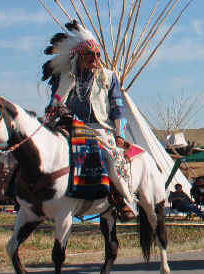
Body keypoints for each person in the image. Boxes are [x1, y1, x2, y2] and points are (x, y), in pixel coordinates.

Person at [40, 20, 135, 220]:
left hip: (100, 129)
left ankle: (124, 197)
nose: (95, 59)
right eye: (89, 55)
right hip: (71, 127)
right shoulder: (66, 78)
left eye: (97, 55)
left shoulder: (108, 77)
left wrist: (119, 134)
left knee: (110, 160)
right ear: (78, 57)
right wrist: (53, 112)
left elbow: (118, 108)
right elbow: (55, 101)